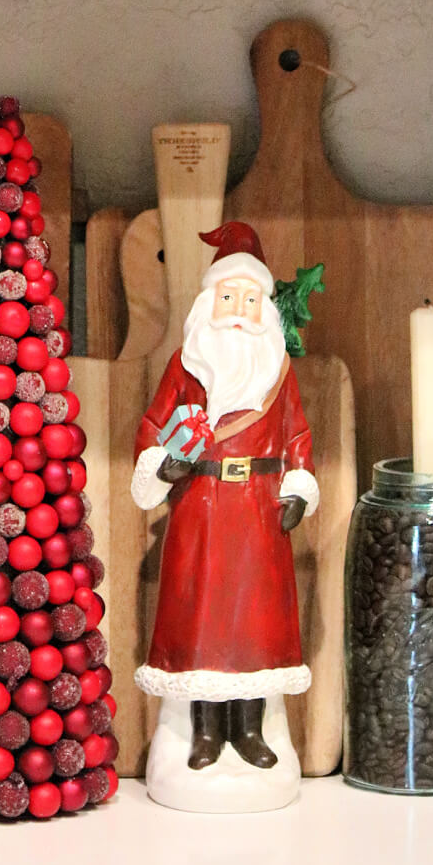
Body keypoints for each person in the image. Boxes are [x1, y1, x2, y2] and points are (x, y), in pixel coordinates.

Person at [131, 220, 318, 773]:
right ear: (210, 303)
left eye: (250, 298)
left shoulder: (278, 374)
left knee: (254, 625)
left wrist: (298, 488)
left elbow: (299, 436)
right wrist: (164, 464)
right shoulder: (186, 367)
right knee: (204, 620)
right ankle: (206, 731)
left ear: (266, 307)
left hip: (259, 510)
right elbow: (151, 425)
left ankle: (251, 728)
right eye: (228, 296)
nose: (238, 309)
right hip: (201, 508)